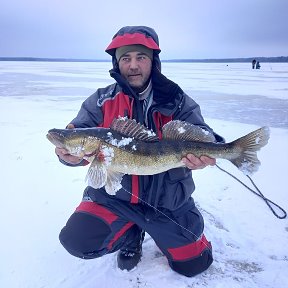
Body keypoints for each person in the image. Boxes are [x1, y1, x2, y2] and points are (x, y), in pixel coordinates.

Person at [55, 26, 224, 277]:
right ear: (117, 63)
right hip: (114, 200)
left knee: (194, 264)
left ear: (153, 61)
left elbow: (205, 134)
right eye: (126, 58)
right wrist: (67, 155)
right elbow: (77, 133)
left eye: (140, 57)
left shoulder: (176, 100)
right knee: (77, 240)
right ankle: (131, 234)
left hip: (167, 203)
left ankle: (158, 229)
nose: (133, 65)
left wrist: (206, 153)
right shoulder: (101, 101)